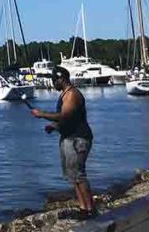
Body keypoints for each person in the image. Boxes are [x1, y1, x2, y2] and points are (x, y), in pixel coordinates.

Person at [30, 66, 97, 219]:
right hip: (69, 138)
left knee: (79, 175)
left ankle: (91, 210)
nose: (53, 83)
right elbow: (69, 119)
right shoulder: (64, 94)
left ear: (61, 79)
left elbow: (64, 115)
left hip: (78, 139)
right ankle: (83, 208)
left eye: (54, 80)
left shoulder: (72, 95)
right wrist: (54, 127)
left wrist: (41, 114)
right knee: (73, 176)